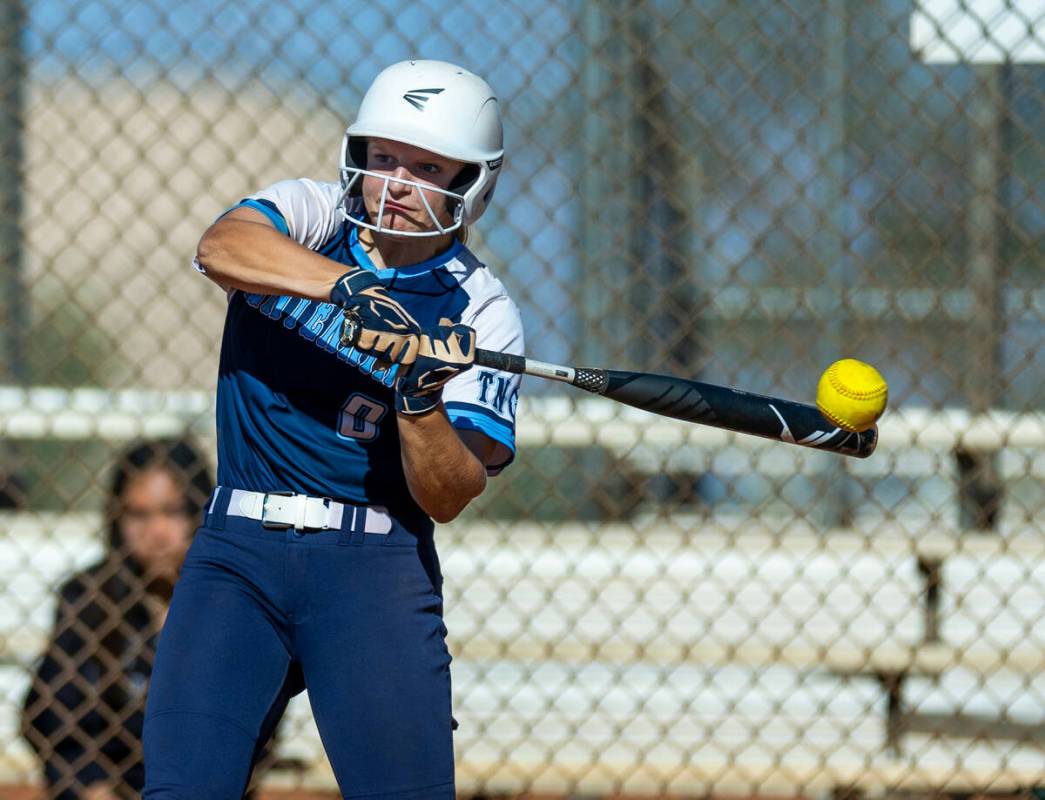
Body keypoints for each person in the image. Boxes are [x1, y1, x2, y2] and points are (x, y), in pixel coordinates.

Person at [142, 59, 524, 799]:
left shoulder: (479, 308)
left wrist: (419, 400)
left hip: (372, 567)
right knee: (182, 787)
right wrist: (350, 290)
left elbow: (448, 492)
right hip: (238, 552)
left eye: (427, 167)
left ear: (471, 182)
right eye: (383, 158)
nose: (398, 183)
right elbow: (222, 247)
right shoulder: (312, 215)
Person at [21, 438, 217, 799]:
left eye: (172, 512)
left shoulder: (225, 602)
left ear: (198, 513)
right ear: (117, 517)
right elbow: (52, 718)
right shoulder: (87, 598)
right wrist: (91, 787)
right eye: (138, 515)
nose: (156, 532)